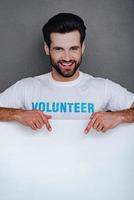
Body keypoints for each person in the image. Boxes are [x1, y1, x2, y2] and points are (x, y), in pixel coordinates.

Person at [0, 13, 134, 133]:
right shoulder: (26, 87)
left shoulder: (103, 87)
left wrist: (119, 115)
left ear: (83, 48)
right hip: (39, 160)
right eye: (59, 49)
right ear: (47, 49)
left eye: (73, 48)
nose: (67, 57)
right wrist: (17, 114)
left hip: (90, 160)